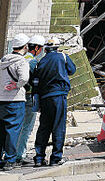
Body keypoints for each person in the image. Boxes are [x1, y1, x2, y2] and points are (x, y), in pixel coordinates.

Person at [33, 39, 75, 167]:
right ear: (57, 47)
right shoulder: (62, 56)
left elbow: (36, 82)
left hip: (45, 97)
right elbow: (72, 70)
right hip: (58, 96)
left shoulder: (41, 62)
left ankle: (39, 158)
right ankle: (56, 158)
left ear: (45, 49)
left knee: (44, 127)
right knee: (58, 126)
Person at [0, 34, 31, 171]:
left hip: (1, 101)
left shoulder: (2, 61)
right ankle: (10, 160)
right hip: (16, 101)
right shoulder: (22, 61)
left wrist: (3, 91)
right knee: (13, 131)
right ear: (25, 47)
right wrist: (15, 86)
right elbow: (24, 78)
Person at [15, 35, 45, 165]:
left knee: (16, 126)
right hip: (28, 96)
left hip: (14, 96)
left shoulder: (19, 58)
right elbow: (35, 81)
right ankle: (20, 155)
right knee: (26, 127)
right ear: (37, 48)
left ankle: (10, 152)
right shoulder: (32, 62)